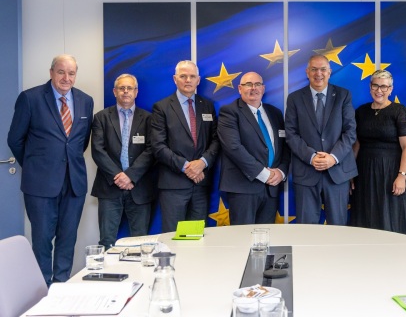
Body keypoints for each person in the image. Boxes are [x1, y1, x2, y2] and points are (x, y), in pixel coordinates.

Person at [7, 54, 94, 286]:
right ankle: (43, 289)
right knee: (42, 240)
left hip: (74, 183)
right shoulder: (30, 98)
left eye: (71, 73)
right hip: (40, 184)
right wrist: (35, 165)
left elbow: (80, 141)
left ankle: (61, 286)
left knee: (68, 239)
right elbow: (15, 139)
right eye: (61, 72)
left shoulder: (86, 101)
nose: (66, 78)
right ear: (51, 72)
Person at [285, 55, 357, 225]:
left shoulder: (343, 95)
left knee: (338, 227)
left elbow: (350, 131)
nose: (319, 73)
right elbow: (291, 133)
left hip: (337, 172)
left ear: (329, 72)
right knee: (307, 229)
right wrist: (311, 156)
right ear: (307, 72)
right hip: (306, 172)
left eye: (323, 69)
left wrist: (333, 157)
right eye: (314, 69)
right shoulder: (294, 98)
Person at [151, 60, 220, 232]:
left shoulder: (208, 106)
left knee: (195, 238)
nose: (188, 80)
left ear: (198, 80)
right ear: (175, 79)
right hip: (173, 185)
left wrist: (202, 163)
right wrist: (187, 167)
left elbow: (216, 140)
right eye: (183, 76)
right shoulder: (162, 107)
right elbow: (158, 146)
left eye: (192, 76)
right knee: (172, 237)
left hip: (200, 184)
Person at [91, 74, 156, 249]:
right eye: (122, 88)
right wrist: (118, 176)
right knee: (107, 241)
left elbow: (151, 150)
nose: (125, 91)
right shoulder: (101, 117)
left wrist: (130, 176)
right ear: (114, 91)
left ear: (136, 92)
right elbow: (98, 151)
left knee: (141, 242)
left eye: (129, 88)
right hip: (109, 187)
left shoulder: (148, 118)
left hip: (139, 187)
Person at [218, 72, 290, 224]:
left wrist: (281, 172)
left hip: (271, 189)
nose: (253, 88)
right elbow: (233, 148)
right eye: (248, 85)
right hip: (243, 188)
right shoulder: (229, 112)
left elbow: (285, 147)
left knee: (266, 235)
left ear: (263, 88)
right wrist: (264, 174)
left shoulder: (275, 113)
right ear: (240, 88)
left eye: (257, 84)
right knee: (242, 236)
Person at [351, 69, 406, 234]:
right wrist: (350, 174)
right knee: (365, 217)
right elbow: (356, 145)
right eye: (375, 86)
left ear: (390, 89)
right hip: (364, 173)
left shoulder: (399, 111)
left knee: (390, 217)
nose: (379, 90)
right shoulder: (361, 112)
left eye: (384, 87)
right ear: (370, 87)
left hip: (391, 173)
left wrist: (402, 176)